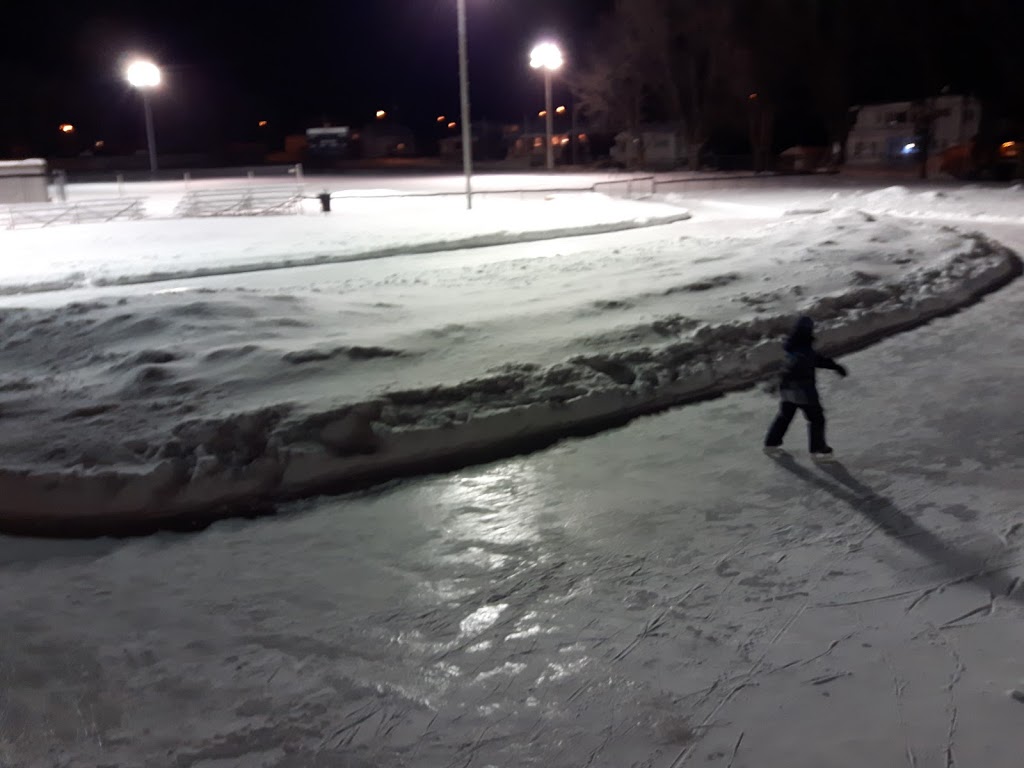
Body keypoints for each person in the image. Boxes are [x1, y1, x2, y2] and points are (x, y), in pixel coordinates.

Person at [764, 315, 847, 458]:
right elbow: (796, 366)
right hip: (803, 391)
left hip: (786, 391)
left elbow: (815, 360)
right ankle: (818, 448)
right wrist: (836, 367)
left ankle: (771, 442)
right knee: (816, 419)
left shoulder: (793, 347)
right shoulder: (804, 351)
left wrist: (835, 366)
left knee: (785, 416)